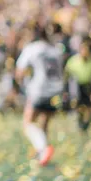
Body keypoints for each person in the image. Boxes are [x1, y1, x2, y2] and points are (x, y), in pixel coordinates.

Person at [15, 24, 65, 167]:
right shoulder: (55, 50)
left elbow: (20, 72)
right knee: (44, 124)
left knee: (28, 123)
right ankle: (42, 154)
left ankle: (43, 149)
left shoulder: (32, 48)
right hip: (56, 90)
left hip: (39, 89)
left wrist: (23, 86)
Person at [64, 40, 91, 134]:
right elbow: (67, 74)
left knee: (90, 108)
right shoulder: (73, 61)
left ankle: (85, 126)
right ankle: (81, 126)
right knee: (79, 108)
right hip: (76, 87)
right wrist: (66, 90)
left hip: (87, 87)